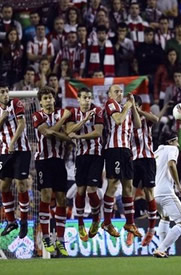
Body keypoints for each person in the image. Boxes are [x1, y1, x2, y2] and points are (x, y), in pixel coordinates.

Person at [32, 86, 71, 256]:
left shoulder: (60, 113)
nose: (48, 100)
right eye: (45, 98)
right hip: (43, 161)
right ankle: (47, 236)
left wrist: (57, 131)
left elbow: (68, 137)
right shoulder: (37, 115)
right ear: (40, 101)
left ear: (54, 99)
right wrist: (61, 124)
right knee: (46, 195)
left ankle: (61, 241)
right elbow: (46, 133)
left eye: (50, 97)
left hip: (59, 161)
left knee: (62, 199)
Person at [0, 82, 31, 238]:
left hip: (21, 150)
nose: (6, 94)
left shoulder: (16, 103)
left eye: (7, 91)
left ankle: (24, 221)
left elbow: (22, 124)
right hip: (5, 153)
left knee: (21, 184)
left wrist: (13, 142)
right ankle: (11, 221)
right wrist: (2, 118)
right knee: (4, 186)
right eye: (2, 91)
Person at [102, 85, 142, 238]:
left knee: (128, 186)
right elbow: (118, 120)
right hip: (114, 149)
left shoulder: (127, 108)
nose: (119, 94)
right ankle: (106, 222)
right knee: (113, 184)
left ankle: (130, 222)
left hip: (126, 150)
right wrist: (127, 106)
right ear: (110, 94)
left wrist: (133, 107)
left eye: (121, 91)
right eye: (116, 91)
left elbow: (137, 125)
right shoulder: (111, 104)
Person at [65, 87, 104, 242]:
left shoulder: (98, 111)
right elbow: (69, 131)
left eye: (89, 97)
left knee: (91, 189)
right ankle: (80, 224)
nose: (87, 100)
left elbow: (98, 132)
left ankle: (95, 219)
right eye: (84, 98)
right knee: (80, 191)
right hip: (80, 156)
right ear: (78, 99)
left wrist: (80, 137)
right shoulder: (73, 113)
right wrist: (85, 120)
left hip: (96, 155)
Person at [152, 133, 181, 258]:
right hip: (166, 192)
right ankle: (161, 248)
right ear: (171, 142)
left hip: (154, 192)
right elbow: (171, 164)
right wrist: (178, 185)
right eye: (177, 141)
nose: (178, 144)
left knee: (165, 218)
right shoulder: (172, 149)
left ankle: (163, 250)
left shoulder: (156, 152)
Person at [130, 95, 159, 246]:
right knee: (130, 194)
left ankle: (151, 230)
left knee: (148, 194)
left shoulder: (145, 119)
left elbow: (156, 120)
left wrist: (138, 110)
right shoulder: (126, 122)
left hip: (148, 159)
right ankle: (131, 228)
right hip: (133, 160)